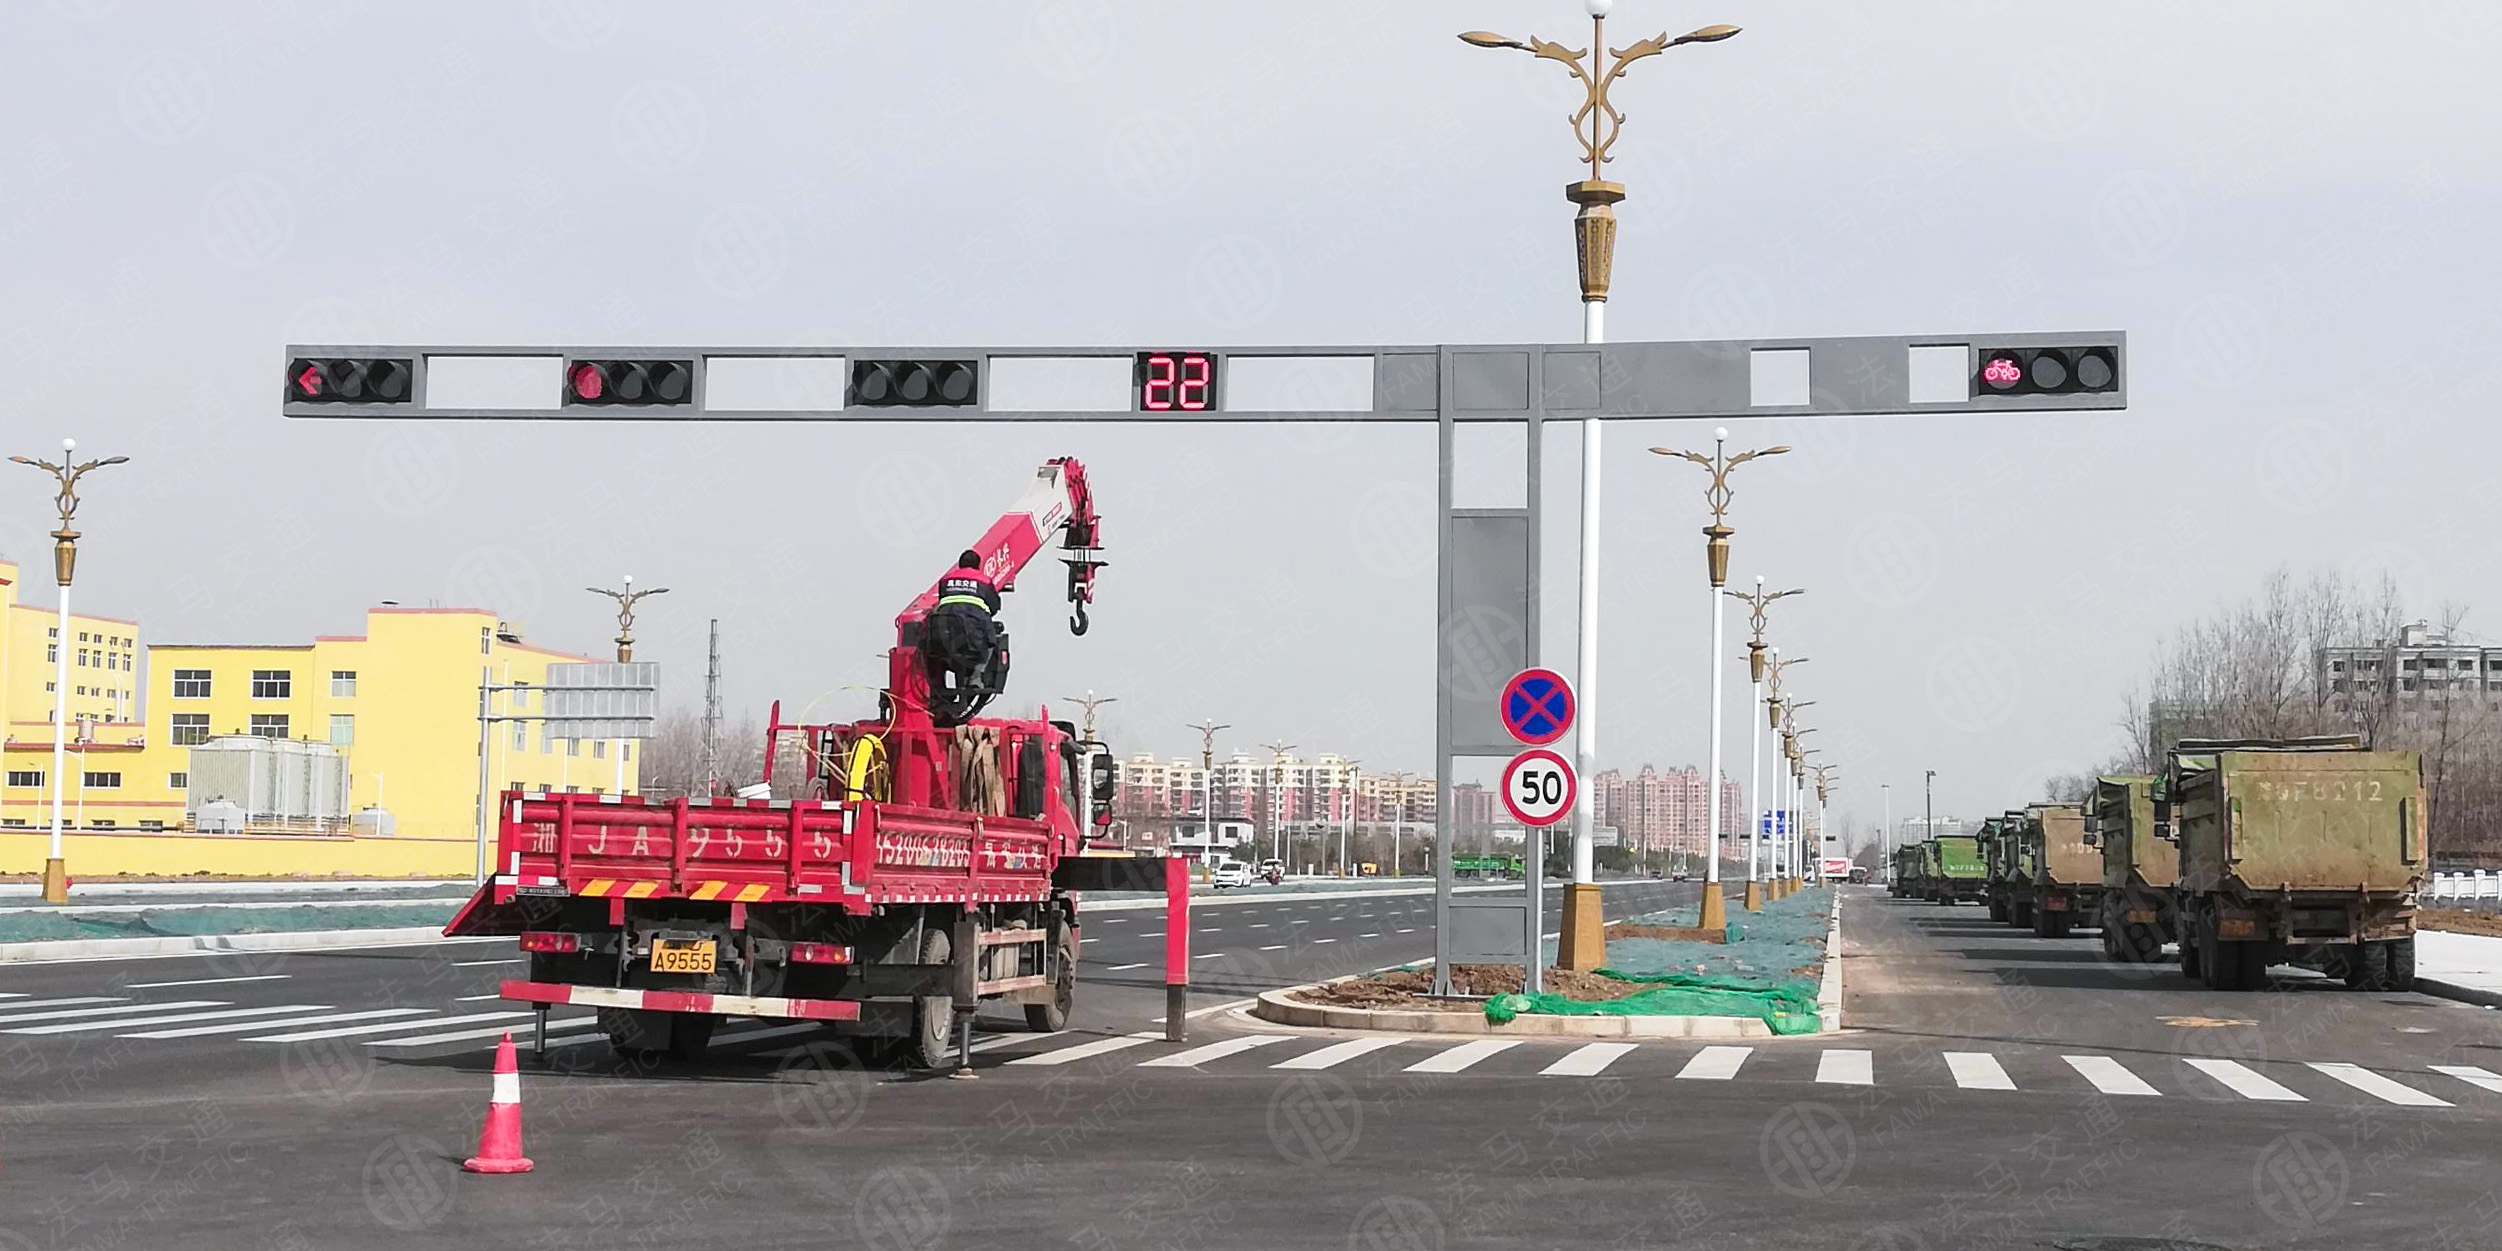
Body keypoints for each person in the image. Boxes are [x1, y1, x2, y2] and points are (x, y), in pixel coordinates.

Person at [924, 550, 1005, 721]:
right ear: (978, 566)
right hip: (972, 634)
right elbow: (995, 605)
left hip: (944, 635)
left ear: (960, 564)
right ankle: (976, 677)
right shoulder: (983, 581)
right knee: (992, 641)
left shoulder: (946, 580)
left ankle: (938, 685)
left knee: (938, 654)